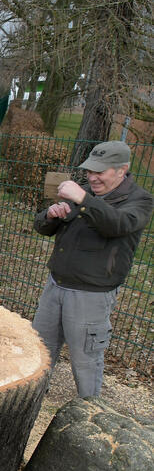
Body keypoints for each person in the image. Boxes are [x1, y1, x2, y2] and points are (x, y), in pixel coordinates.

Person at [32, 140, 153, 397]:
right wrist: (50, 215)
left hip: (91, 295)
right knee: (39, 350)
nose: (92, 177)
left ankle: (89, 413)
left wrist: (83, 198)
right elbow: (42, 228)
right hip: (55, 286)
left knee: (86, 361)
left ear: (122, 170)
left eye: (100, 172)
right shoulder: (85, 193)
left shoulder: (139, 201)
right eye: (89, 171)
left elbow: (116, 224)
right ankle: (31, 402)